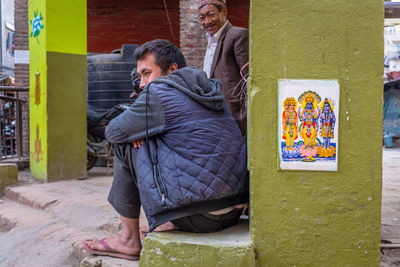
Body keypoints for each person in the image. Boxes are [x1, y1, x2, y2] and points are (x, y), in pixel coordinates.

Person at [82, 39, 248, 260]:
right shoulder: (208, 90)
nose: (141, 83)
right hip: (234, 210)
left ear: (172, 70)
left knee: (124, 144)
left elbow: (113, 132)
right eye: (140, 76)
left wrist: (136, 132)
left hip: (199, 218)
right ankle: (170, 218)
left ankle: (129, 240)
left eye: (147, 73)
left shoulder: (159, 92)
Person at [198, 0, 249, 137]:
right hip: (215, 116)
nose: (207, 21)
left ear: (224, 12)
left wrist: (243, 116)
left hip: (234, 118)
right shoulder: (211, 40)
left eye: (211, 15)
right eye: (202, 18)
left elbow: (248, 80)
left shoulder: (238, 35)